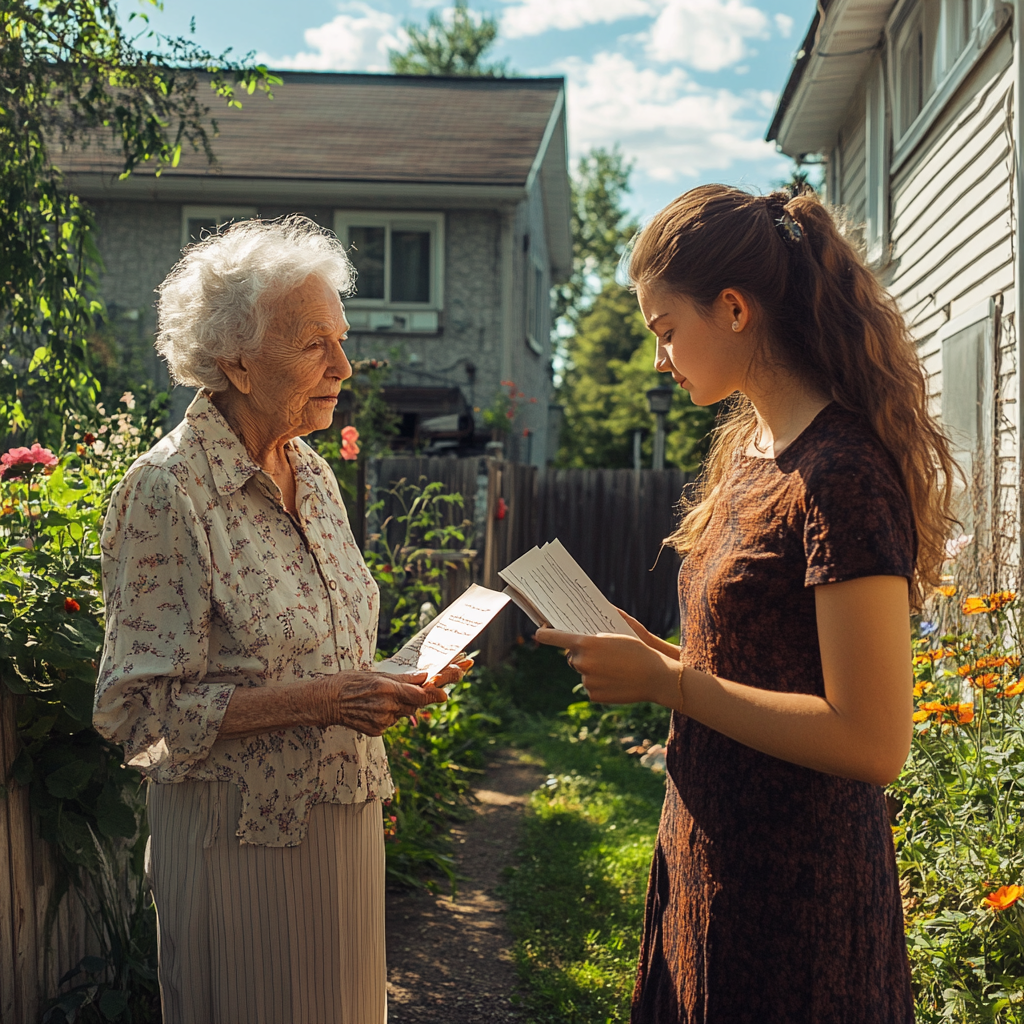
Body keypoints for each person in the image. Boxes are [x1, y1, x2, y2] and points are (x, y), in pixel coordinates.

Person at [537, 185, 956, 1023]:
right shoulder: (752, 454)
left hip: (798, 901)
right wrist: (660, 657)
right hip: (713, 858)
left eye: (665, 330)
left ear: (733, 308)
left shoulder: (841, 475)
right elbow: (757, 663)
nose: (659, 358)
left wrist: (671, 686)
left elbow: (873, 741)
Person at [93, 216, 467, 1024]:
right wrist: (330, 700)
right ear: (234, 359)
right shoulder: (170, 489)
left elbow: (328, 651)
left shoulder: (313, 472)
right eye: (313, 345)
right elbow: (138, 716)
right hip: (238, 846)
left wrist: (394, 681)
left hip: (342, 824)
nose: (344, 365)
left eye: (342, 338)